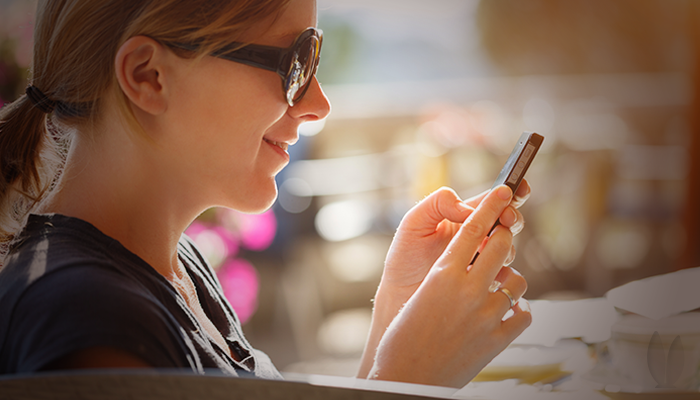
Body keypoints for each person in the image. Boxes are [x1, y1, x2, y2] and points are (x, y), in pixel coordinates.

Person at [0, 0, 531, 388]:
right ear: (148, 76)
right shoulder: (83, 321)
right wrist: (414, 377)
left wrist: (396, 317)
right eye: (297, 63)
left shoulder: (172, 264)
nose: (319, 104)